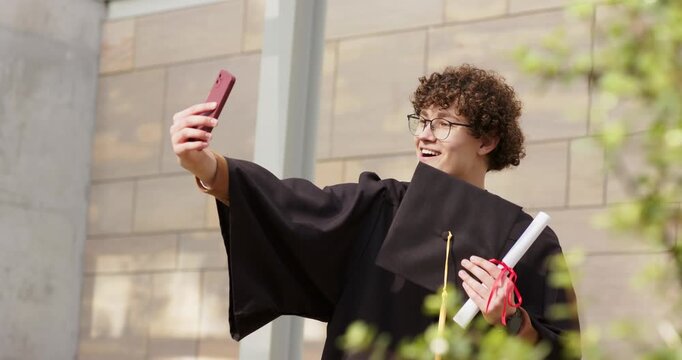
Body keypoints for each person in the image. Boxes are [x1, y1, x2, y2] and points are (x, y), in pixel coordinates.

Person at [170, 64, 580, 359]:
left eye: (442, 124)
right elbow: (290, 205)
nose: (424, 134)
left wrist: (510, 318)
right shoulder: (379, 207)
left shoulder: (524, 241)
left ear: (487, 139)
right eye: (421, 121)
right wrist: (205, 166)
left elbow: (560, 351)